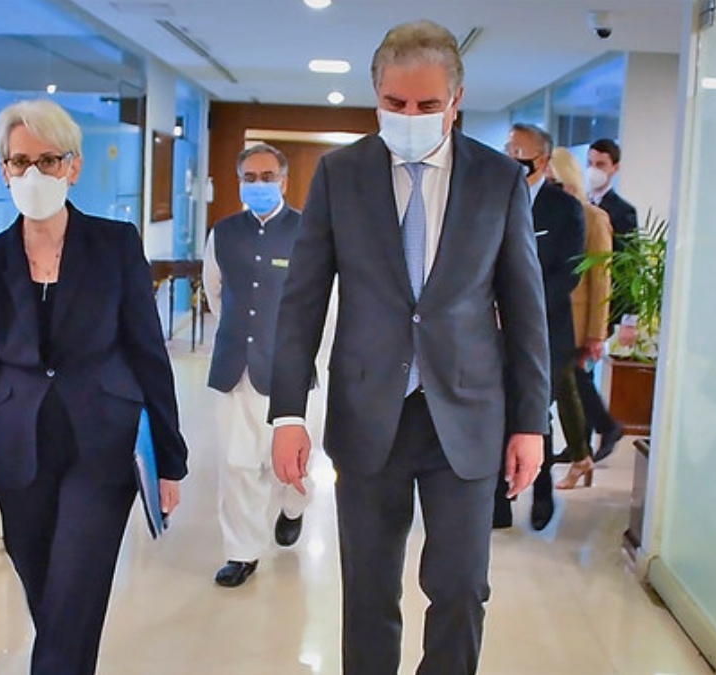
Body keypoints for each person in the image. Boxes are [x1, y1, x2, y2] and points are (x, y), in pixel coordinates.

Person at [269, 20, 549, 675]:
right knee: (369, 593)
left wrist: (531, 423)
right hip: (370, 412)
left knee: (461, 589)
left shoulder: (498, 180)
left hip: (467, 415)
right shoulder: (340, 175)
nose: (411, 116)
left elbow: (526, 310)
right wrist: (287, 413)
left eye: (428, 104)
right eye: (395, 103)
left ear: (457, 100)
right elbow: (302, 300)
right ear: (376, 97)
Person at [0, 99, 189, 675]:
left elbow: (148, 353)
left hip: (102, 446)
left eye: (48, 160)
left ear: (73, 167)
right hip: (18, 455)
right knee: (54, 600)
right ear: (4, 169)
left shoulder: (114, 245)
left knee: (75, 592)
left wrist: (169, 460)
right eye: (20, 161)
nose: (34, 174)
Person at [203, 143, 310, 588]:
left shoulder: (308, 231)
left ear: (284, 181)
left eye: (268, 177)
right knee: (237, 465)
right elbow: (214, 292)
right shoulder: (223, 233)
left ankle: (293, 508)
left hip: (289, 371)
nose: (259, 184)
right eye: (250, 177)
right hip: (235, 366)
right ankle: (242, 553)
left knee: (290, 463)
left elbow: (322, 303)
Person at [497, 124, 586, 529]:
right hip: (494, 328)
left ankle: (543, 488)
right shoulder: (494, 198)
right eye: (508, 150)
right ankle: (499, 499)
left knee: (535, 411)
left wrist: (522, 308)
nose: (513, 159)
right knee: (497, 411)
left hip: (546, 329)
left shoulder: (564, 208)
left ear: (543, 160)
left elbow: (569, 273)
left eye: (521, 153)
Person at [548, 147, 624, 474]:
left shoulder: (593, 218)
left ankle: (586, 448)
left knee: (566, 387)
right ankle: (583, 451)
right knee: (569, 388)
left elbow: (601, 279)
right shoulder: (545, 215)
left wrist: (596, 333)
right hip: (550, 318)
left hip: (576, 322)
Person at [587, 138, 639, 252]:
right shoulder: (578, 203)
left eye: (600, 165)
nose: (593, 170)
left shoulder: (624, 211)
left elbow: (627, 257)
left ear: (615, 168)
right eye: (590, 163)